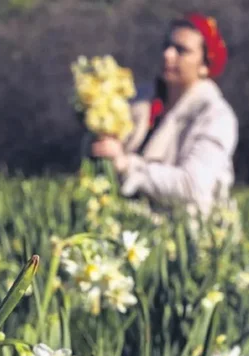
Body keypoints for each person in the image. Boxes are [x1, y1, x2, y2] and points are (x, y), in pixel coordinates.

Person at [91, 12, 237, 219]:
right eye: (167, 46)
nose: (168, 54)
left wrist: (127, 166)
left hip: (184, 230)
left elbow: (192, 186)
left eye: (181, 50)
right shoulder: (138, 99)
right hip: (124, 219)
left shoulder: (216, 116)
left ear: (205, 66)